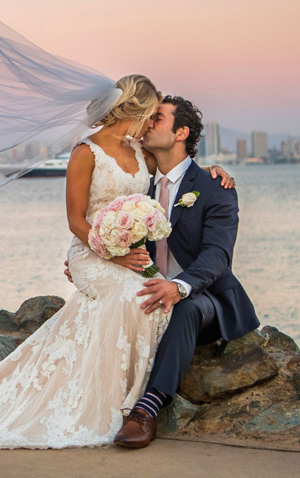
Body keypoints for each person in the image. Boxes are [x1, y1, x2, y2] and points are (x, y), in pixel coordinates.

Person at [0, 75, 234, 448]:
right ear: (135, 109)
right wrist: (109, 253)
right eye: (151, 115)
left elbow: (179, 175)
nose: (151, 124)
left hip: (128, 256)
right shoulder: (86, 152)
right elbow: (76, 220)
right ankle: (117, 404)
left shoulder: (143, 154)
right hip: (95, 250)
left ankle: (136, 402)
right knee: (131, 297)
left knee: (143, 297)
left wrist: (215, 173)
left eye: (158, 119)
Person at [107, 95, 259, 448]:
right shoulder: (137, 187)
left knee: (185, 306)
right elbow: (119, 237)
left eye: (157, 118)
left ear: (181, 133)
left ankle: (147, 409)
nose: (147, 123)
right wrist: (95, 258)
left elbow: (217, 256)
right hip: (146, 287)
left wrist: (179, 286)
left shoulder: (215, 188)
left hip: (204, 297)